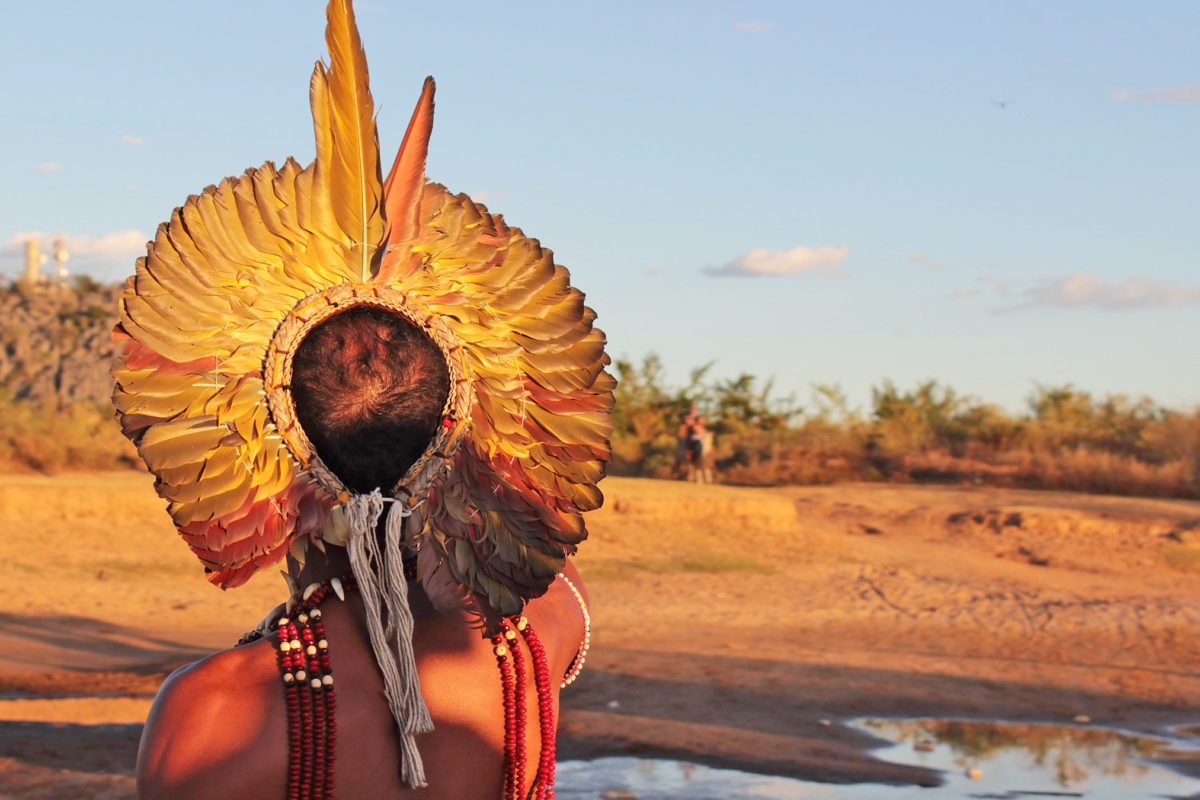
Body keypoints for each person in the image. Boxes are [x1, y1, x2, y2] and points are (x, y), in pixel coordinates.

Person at [113, 3, 612, 798]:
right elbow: (552, 561)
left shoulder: (214, 714)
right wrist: (462, 510)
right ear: (469, 432)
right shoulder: (537, 644)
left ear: (257, 458)